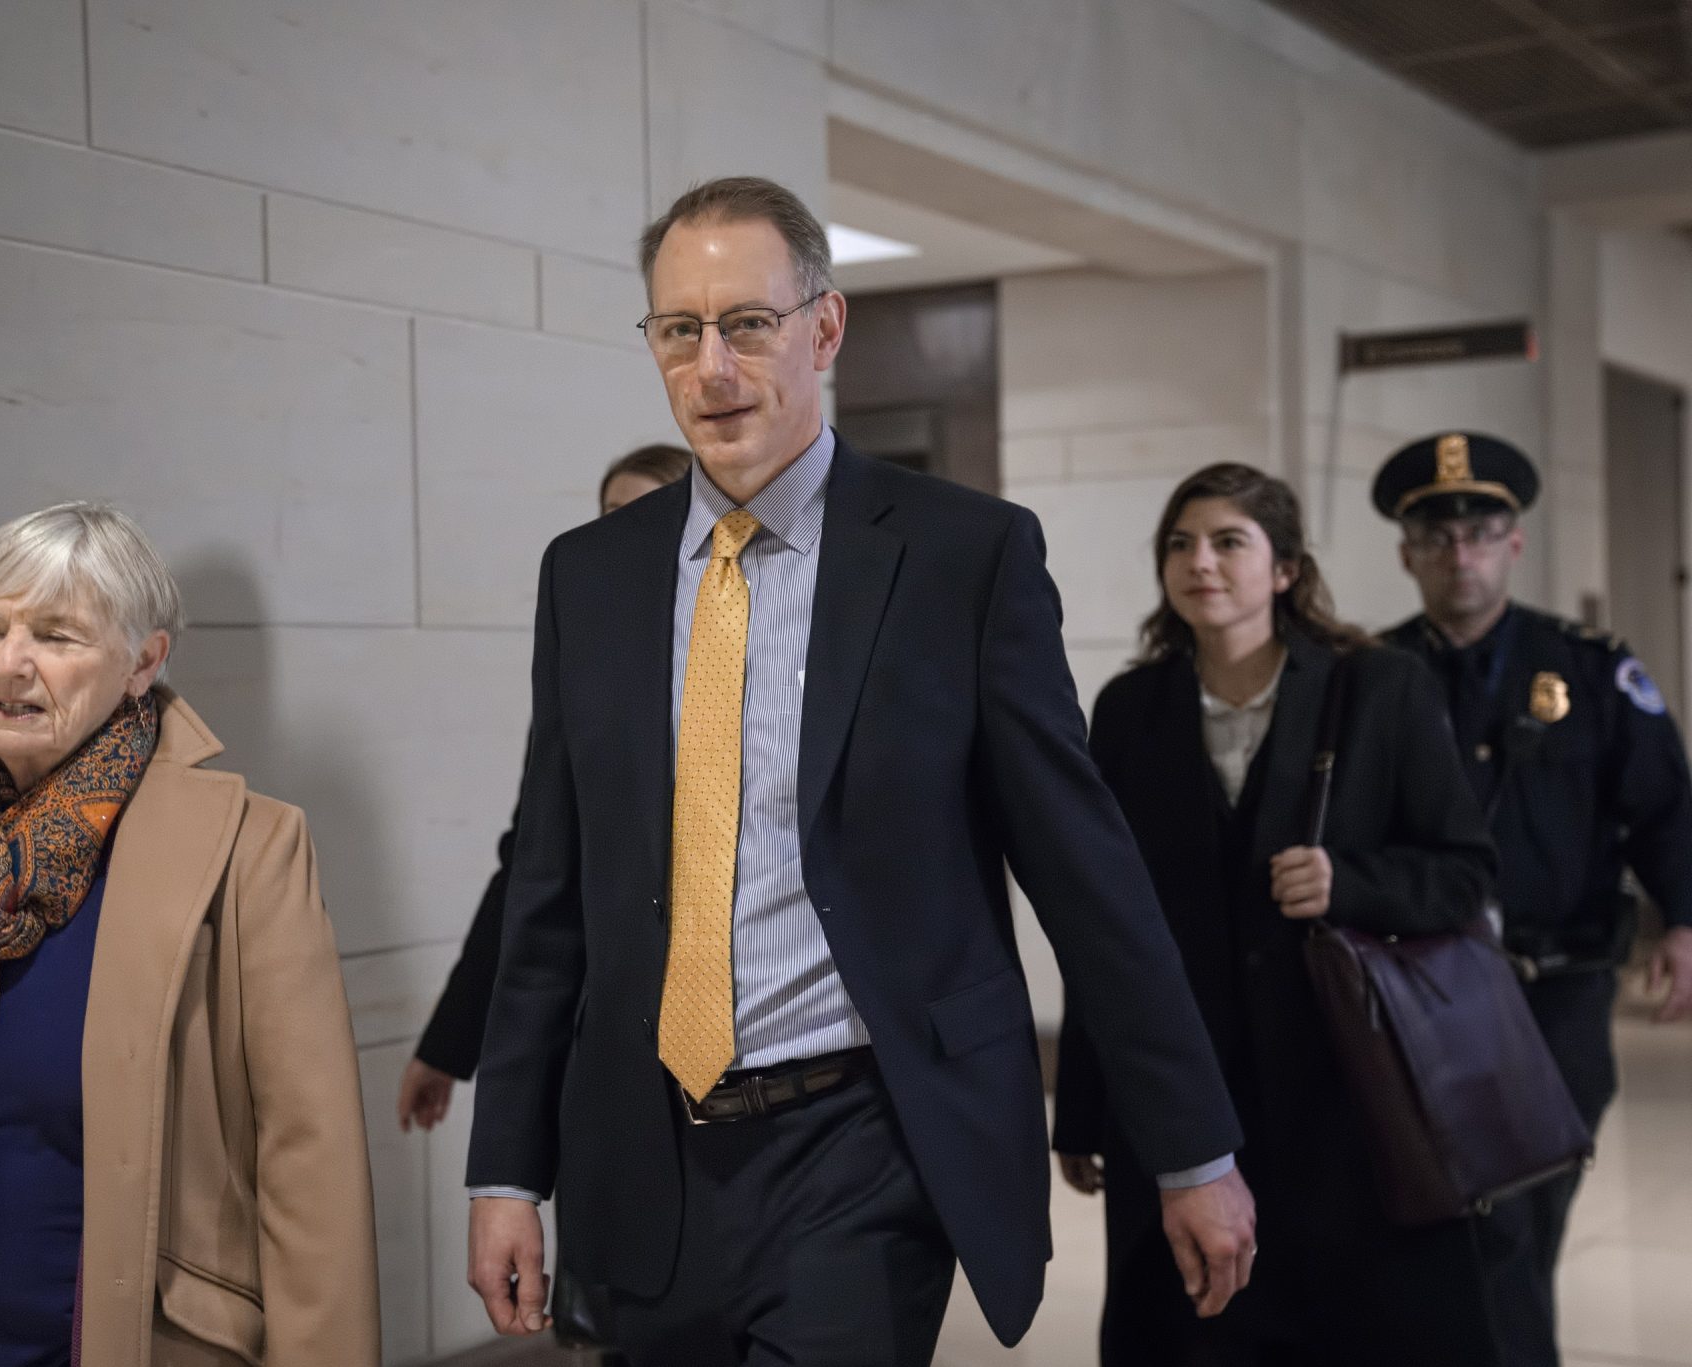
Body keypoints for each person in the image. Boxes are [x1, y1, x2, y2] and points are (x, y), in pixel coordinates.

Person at [463, 174, 1255, 1366]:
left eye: (748, 324)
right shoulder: (591, 576)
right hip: (645, 1146)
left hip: (863, 1138)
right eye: (680, 330)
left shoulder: (961, 556)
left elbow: (1087, 876)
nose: (713, 367)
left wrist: (1193, 1149)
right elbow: (550, 899)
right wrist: (507, 1167)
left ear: (824, 328)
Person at [0, 503, 378, 1367]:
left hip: (114, 1336)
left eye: (56, 636)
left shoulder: (246, 845)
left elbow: (309, 1160)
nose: (10, 664)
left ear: (144, 661)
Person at [1053, 462, 1502, 1366]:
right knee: (1193, 1327)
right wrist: (1085, 1104)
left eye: (1228, 542)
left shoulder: (1381, 688)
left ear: (1287, 569)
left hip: (1350, 1099)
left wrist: (1353, 882)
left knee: (1365, 1327)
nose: (1200, 563)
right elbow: (1103, 925)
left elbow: (1463, 873)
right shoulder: (1130, 709)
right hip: (1186, 1100)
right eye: (1179, 544)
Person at [1375, 431, 1692, 1367]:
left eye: (1479, 531)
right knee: (1457, 1222)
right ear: (1407, 554)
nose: (1458, 552)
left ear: (1514, 542)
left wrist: (1683, 919)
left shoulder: (1588, 668)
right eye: (1436, 537)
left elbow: (1666, 805)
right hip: (1422, 991)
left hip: (1556, 988)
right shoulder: (1372, 674)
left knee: (1520, 1213)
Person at [399, 443, 694, 1131]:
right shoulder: (584, 676)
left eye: (643, 514)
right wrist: (451, 1042)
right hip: (615, 1047)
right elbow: (533, 867)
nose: (618, 537)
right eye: (607, 517)